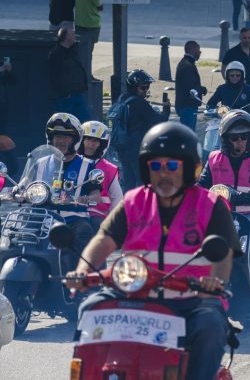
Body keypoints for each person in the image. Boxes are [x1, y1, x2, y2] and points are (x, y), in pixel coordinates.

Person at [68, 122, 239, 380]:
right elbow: (104, 239)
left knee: (210, 326)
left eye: (172, 166)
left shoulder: (211, 205)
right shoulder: (134, 200)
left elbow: (223, 253)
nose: (163, 174)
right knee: (90, 308)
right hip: (134, 293)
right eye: (156, 166)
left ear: (189, 168)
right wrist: (82, 272)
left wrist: (215, 282)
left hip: (191, 298)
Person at [198, 110, 250, 305]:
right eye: (235, 138)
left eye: (244, 137)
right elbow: (202, 185)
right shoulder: (214, 159)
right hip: (221, 213)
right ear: (226, 139)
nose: (239, 142)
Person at [17, 113, 97, 265]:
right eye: (57, 136)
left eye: (66, 137)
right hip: (41, 215)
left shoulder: (87, 165)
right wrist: (18, 188)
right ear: (50, 139)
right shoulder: (40, 161)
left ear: (74, 140)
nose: (61, 141)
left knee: (83, 233)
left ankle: (79, 279)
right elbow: (25, 180)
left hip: (73, 217)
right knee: (17, 234)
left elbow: (96, 195)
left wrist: (87, 199)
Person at [119, 69, 171, 190]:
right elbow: (160, 121)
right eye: (143, 88)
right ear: (133, 87)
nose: (145, 91)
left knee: (128, 183)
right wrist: (167, 109)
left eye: (147, 88)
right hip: (136, 150)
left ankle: (127, 206)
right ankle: (141, 206)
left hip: (123, 149)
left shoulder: (123, 100)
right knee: (143, 181)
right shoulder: (139, 104)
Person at [77, 120, 124, 228]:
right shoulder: (71, 161)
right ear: (81, 140)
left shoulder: (109, 168)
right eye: (87, 139)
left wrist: (112, 222)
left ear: (102, 144)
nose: (90, 144)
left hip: (97, 214)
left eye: (95, 141)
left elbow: (117, 198)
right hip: (70, 210)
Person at [48, 24, 90, 122]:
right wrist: (64, 93)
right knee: (66, 121)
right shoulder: (56, 54)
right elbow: (54, 76)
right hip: (66, 96)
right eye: (72, 34)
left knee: (84, 119)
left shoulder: (73, 51)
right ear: (66, 37)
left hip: (77, 93)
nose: (74, 36)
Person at [74, 0, 103, 82]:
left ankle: (82, 74)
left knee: (82, 52)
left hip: (80, 23)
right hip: (92, 24)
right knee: (89, 53)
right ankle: (87, 75)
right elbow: (100, 7)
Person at [174, 40, 207, 131]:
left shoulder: (185, 63)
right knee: (188, 134)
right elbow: (190, 88)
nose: (200, 52)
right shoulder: (187, 66)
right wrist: (202, 90)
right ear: (193, 50)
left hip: (186, 105)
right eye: (198, 49)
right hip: (188, 106)